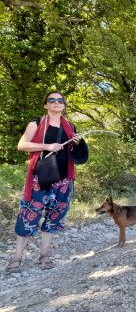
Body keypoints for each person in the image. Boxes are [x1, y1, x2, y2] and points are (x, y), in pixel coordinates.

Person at [6, 91, 88, 273]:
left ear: (64, 105)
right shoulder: (36, 123)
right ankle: (17, 257)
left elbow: (75, 154)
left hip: (64, 179)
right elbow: (22, 145)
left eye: (60, 100)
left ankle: (44, 255)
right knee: (28, 215)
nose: (56, 102)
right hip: (40, 178)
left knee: (54, 217)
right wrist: (47, 146)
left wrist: (76, 142)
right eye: (52, 100)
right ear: (46, 105)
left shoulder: (70, 126)